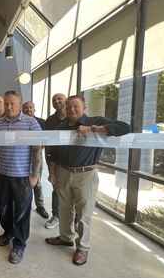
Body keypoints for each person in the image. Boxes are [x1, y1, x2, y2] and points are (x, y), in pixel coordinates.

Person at [46, 95, 131, 266]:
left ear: (83, 108)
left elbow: (125, 127)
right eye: (69, 107)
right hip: (63, 172)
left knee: (84, 212)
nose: (72, 110)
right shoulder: (61, 126)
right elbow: (53, 152)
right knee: (65, 208)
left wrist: (92, 129)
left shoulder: (95, 121)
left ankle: (83, 247)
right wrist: (52, 172)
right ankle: (65, 237)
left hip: (86, 174)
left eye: (76, 107)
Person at [0, 91, 42, 264]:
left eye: (12, 103)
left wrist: (35, 175)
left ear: (19, 104)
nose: (9, 107)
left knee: (21, 212)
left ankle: (19, 245)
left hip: (22, 177)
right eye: (6, 104)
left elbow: (37, 149)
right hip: (2, 174)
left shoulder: (30, 122)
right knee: (4, 209)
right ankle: (8, 232)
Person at [44, 93, 67, 229]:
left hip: (71, 159)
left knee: (71, 190)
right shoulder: (50, 120)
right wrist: (47, 156)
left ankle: (74, 219)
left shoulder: (73, 117)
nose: (57, 101)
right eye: (54, 100)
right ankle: (56, 216)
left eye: (59, 99)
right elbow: (47, 140)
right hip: (54, 159)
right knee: (56, 188)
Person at [22, 101, 48, 219]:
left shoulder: (41, 122)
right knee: (23, 182)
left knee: (37, 182)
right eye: (26, 108)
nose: (28, 109)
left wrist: (37, 149)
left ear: (34, 109)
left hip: (37, 156)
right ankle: (24, 206)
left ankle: (40, 206)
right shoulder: (20, 122)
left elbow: (45, 139)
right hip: (23, 156)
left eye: (30, 107)